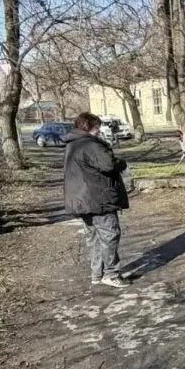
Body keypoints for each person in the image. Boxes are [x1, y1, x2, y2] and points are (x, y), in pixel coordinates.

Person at [63, 111, 131, 289]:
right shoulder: (90, 144)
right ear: (89, 127)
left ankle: (97, 274)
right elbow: (109, 164)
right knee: (109, 235)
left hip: (83, 199)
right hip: (98, 198)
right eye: (97, 127)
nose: (99, 131)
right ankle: (111, 274)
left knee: (93, 237)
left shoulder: (73, 144)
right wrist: (121, 163)